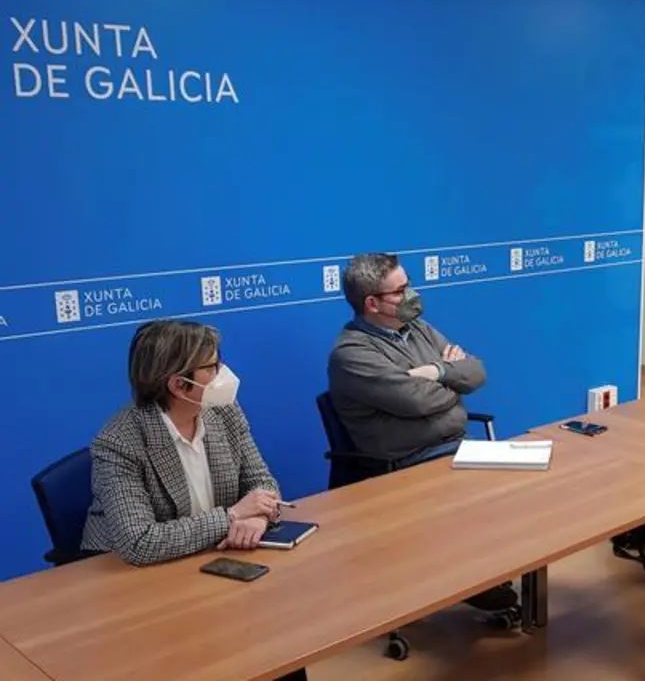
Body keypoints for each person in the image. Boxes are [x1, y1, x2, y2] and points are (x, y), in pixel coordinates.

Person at [81, 319, 308, 681]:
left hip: (208, 562)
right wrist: (231, 516)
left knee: (280, 647)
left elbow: (262, 482)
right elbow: (139, 542)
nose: (224, 374)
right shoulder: (120, 441)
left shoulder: (224, 412)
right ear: (178, 384)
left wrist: (257, 518)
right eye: (213, 367)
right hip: (138, 586)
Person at [326, 252, 516, 612]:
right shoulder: (351, 354)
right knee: (488, 498)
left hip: (457, 446)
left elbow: (476, 372)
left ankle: (484, 571)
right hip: (408, 461)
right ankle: (470, 577)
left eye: (408, 284)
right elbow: (415, 402)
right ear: (372, 303)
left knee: (530, 486)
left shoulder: (419, 330)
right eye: (400, 291)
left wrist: (437, 372)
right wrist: (451, 378)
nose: (412, 295)